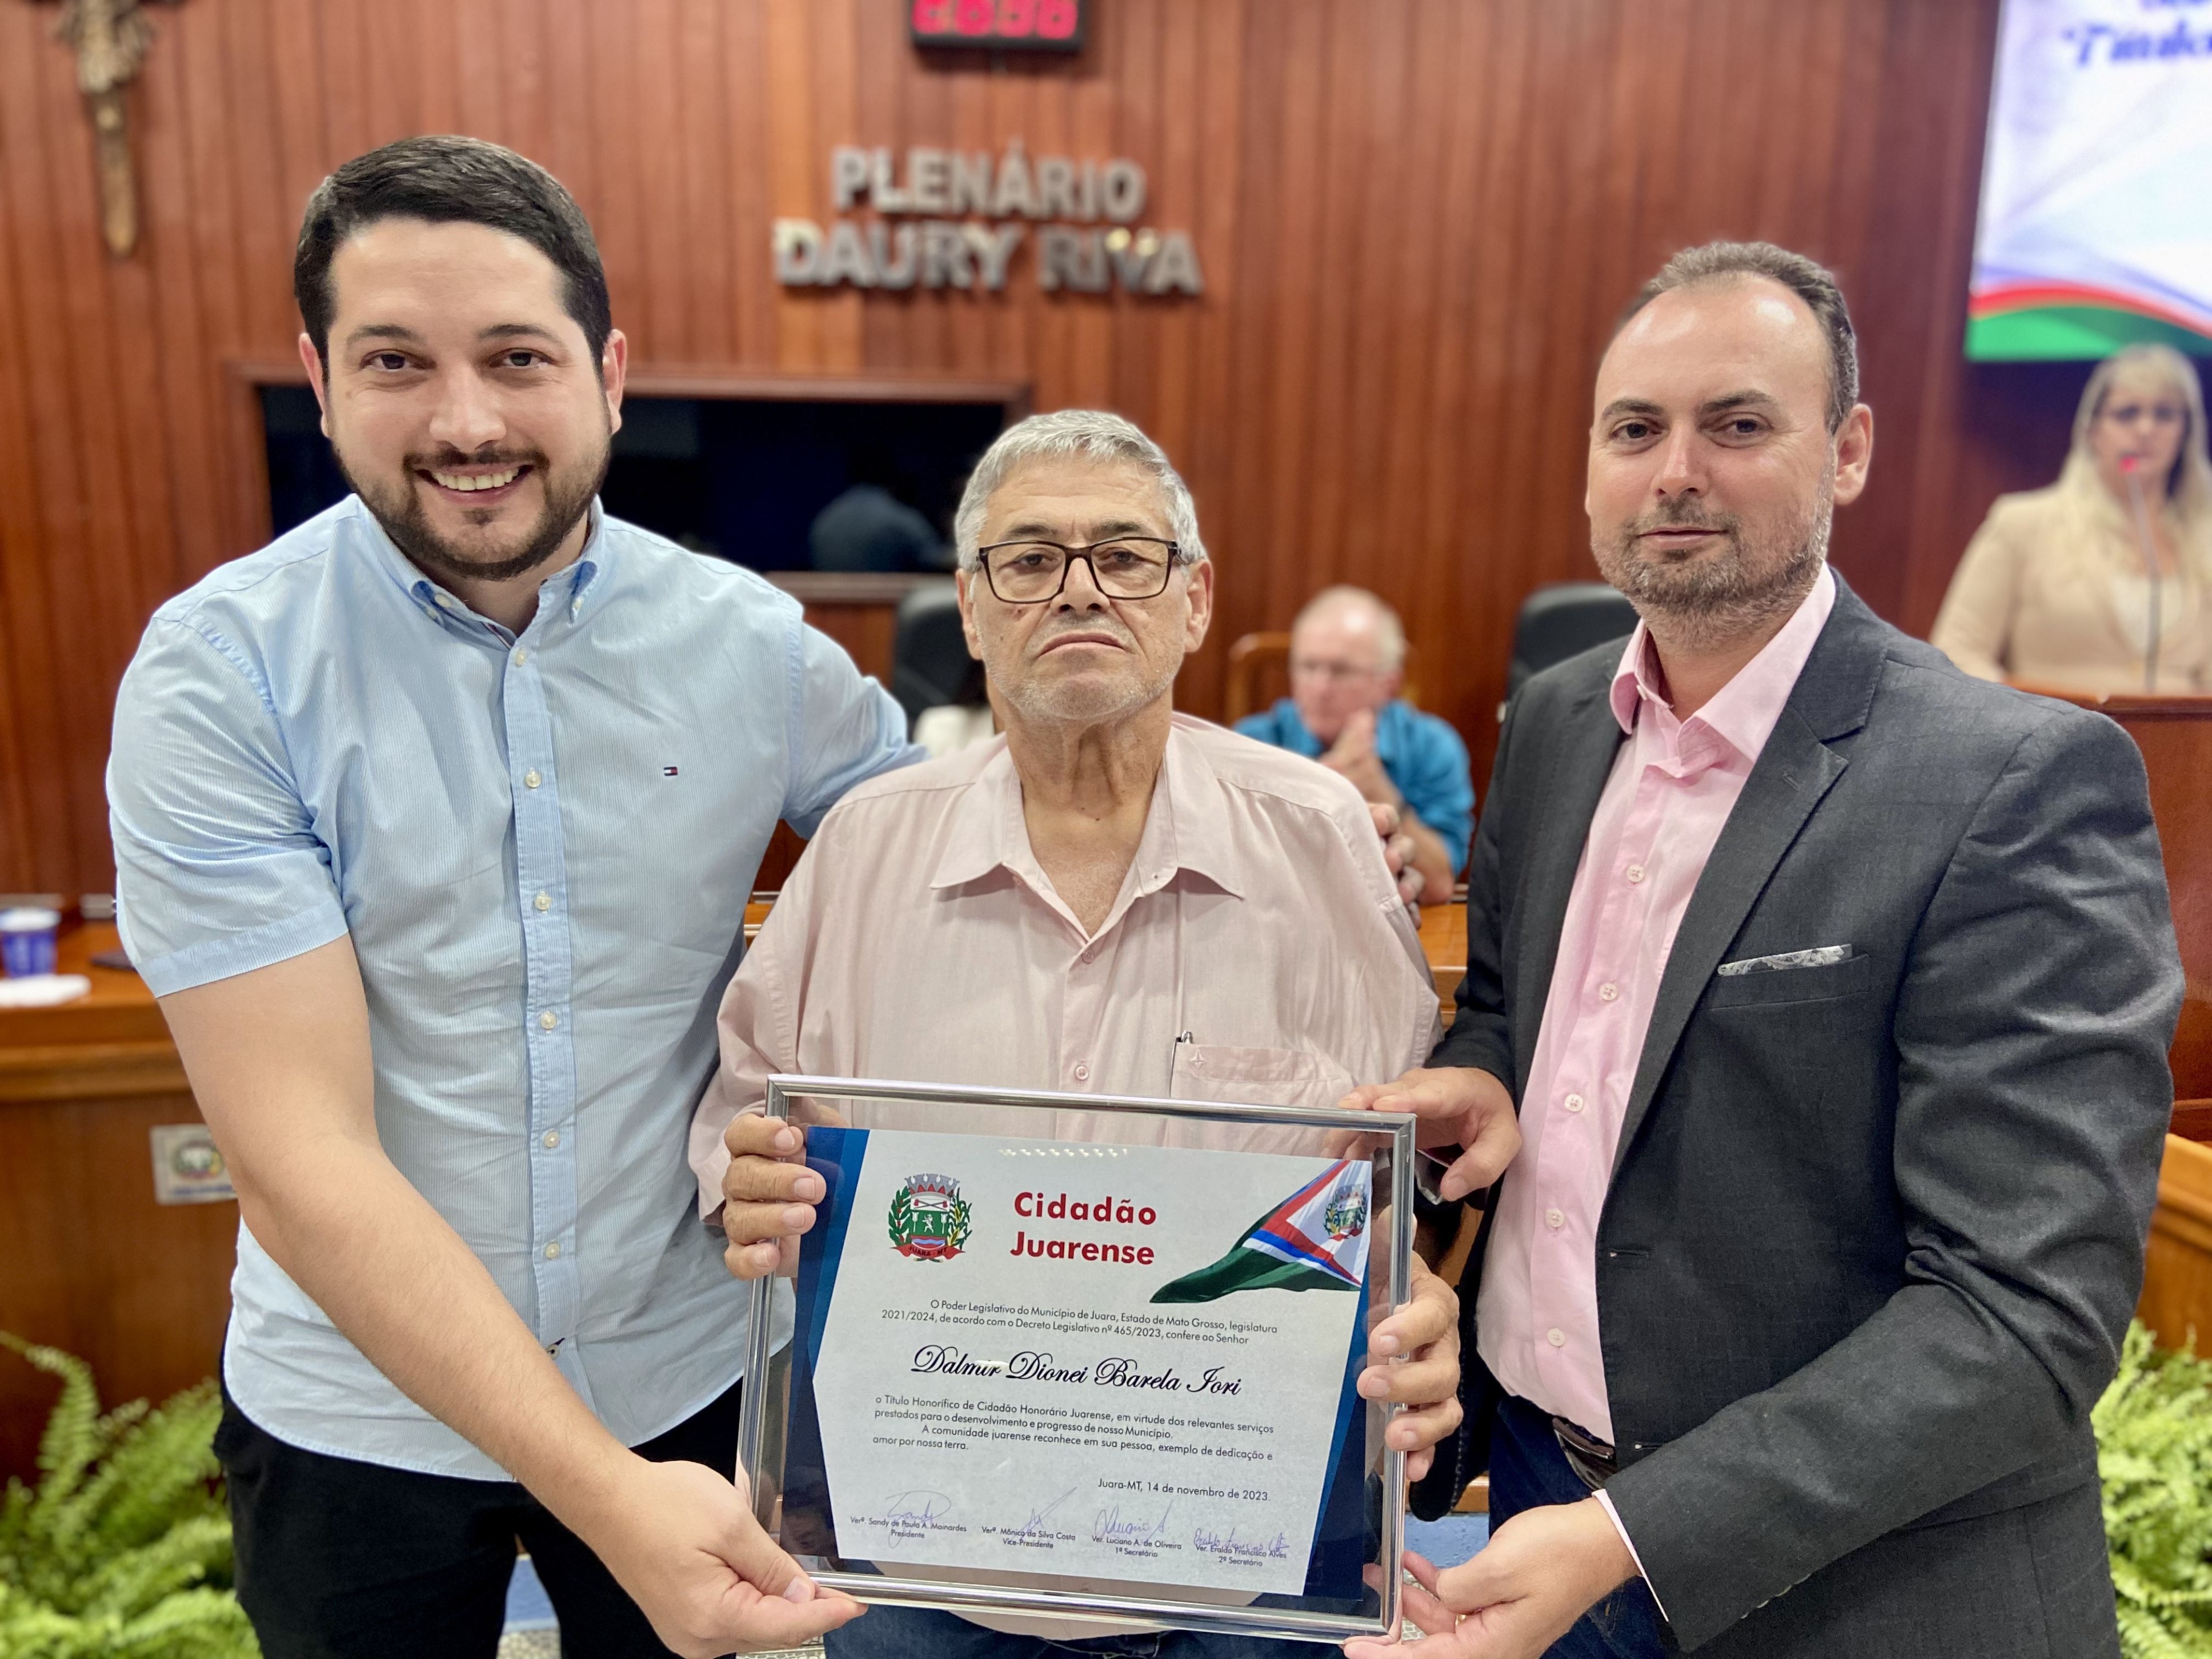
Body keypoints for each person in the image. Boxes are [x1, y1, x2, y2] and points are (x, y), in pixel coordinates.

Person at [105, 135, 901, 1658]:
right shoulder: (222, 675)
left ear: (610, 374)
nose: (466, 421)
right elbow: (298, 1157)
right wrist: (604, 1491)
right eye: (395, 360)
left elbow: (955, 859)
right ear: (320, 381)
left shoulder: (755, 648)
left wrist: (1269, 834)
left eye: (517, 357)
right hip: (355, 1419)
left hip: (687, 1375)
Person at [1345, 242, 2182, 1659]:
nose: (1675, 472)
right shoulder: (1553, 722)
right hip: (1540, 1500)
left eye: (1736, 424)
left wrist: (1630, 1536)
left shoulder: (2015, 780)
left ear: (1847, 451)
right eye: (1634, 429)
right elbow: (1507, 1008)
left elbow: (2022, 1310)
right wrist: (1480, 1070)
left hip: (1857, 1587)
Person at [691, 411, 1510, 1659]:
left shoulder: (1321, 840)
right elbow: (740, 1135)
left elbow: (1391, 1175)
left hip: (1246, 1572)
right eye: (1029, 559)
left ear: (1195, 601)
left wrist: (1415, 1297)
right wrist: (749, 1189)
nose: (1078, 588)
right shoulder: (861, 851)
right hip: (921, 1566)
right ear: (972, 611)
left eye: (1124, 555)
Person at [1931, 342, 2212, 694]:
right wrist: (2027, 716)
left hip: (2180, 730)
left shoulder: (2205, 540)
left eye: (2165, 414)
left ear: (2186, 432)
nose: (2145, 429)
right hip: (2052, 727)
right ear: (2093, 431)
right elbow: (1957, 652)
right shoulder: (2023, 523)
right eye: (2127, 413)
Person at [1236, 587, 1474, 899]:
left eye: (1341, 671)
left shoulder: (1433, 746)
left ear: (1389, 684)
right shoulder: (1253, 742)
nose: (1321, 687)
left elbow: (1440, 885)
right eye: (1308, 666)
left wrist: (1378, 789)